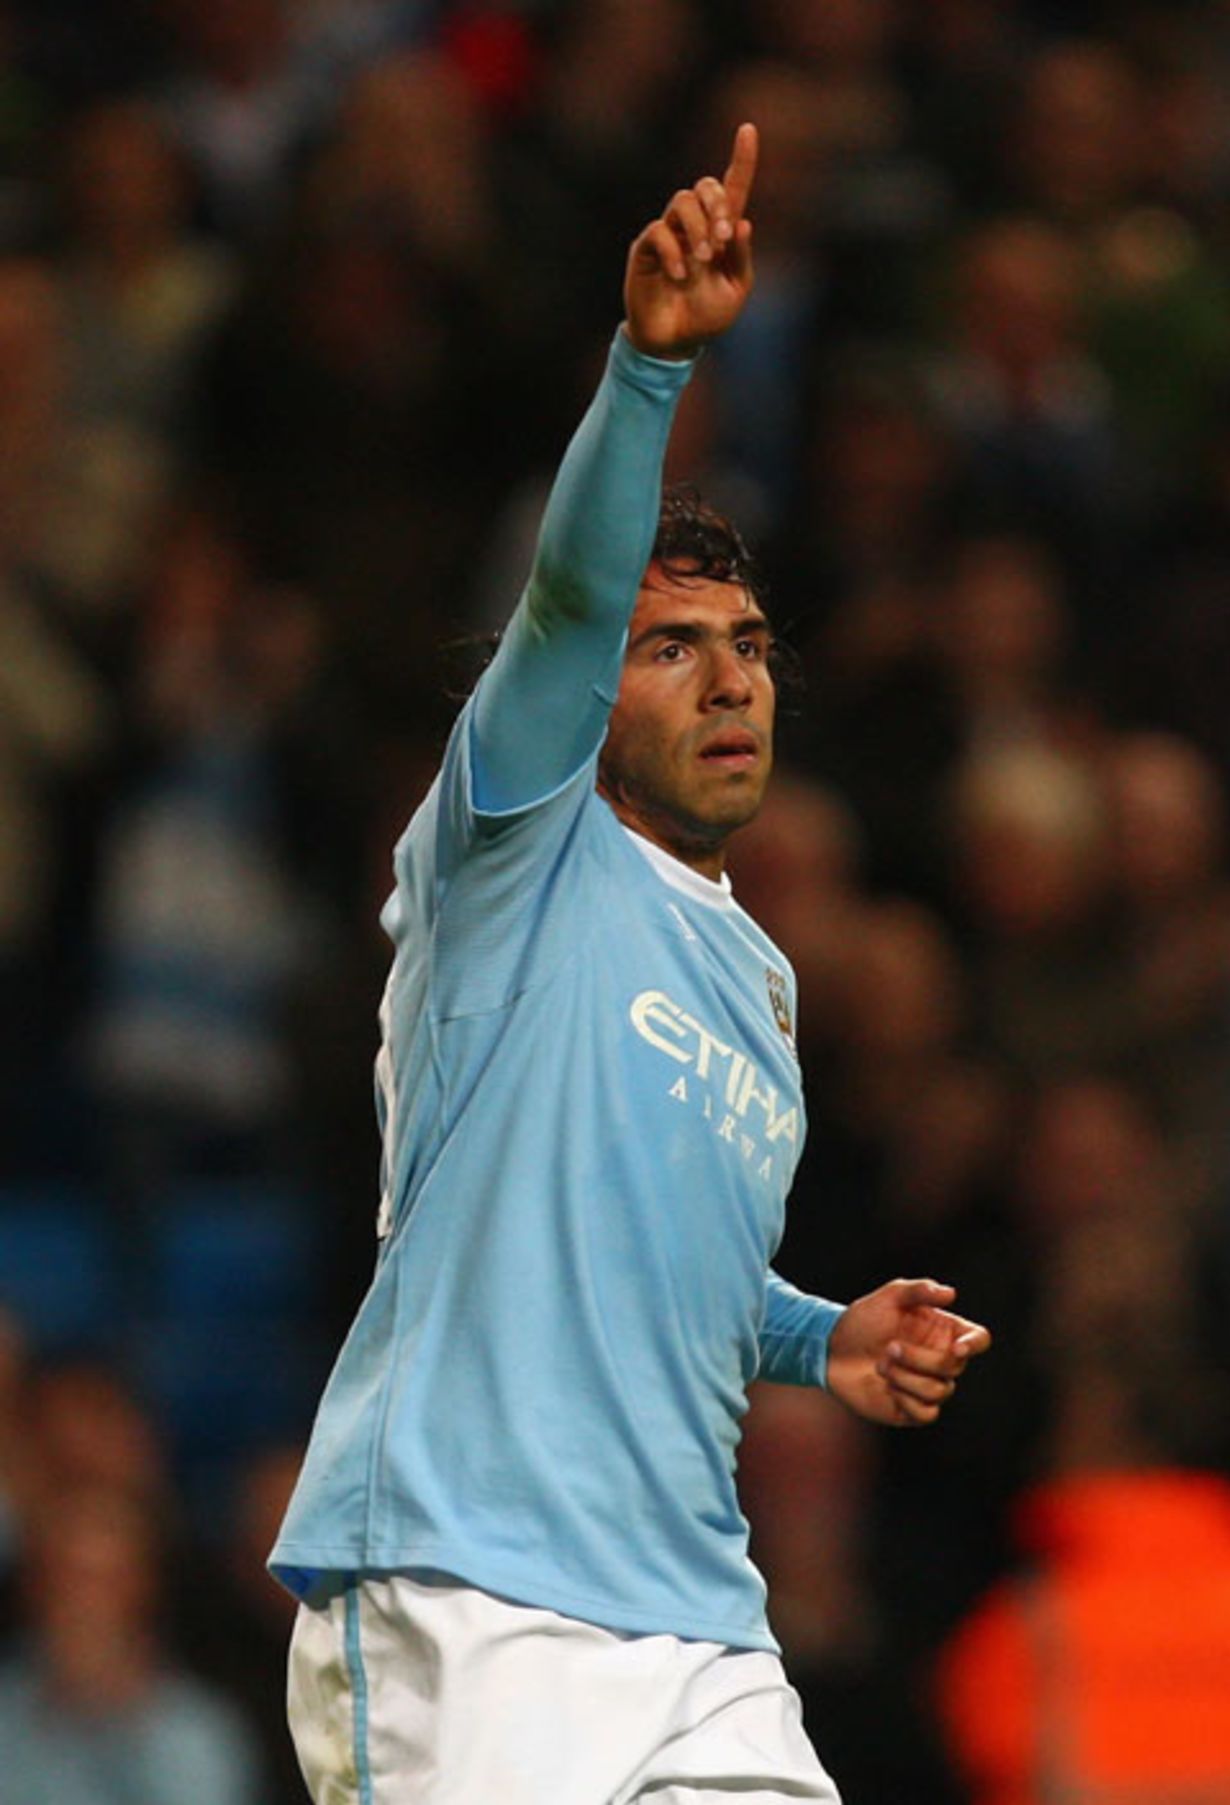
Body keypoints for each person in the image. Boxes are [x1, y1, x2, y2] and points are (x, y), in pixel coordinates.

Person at [271, 123, 991, 1804]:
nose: (731, 681)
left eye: (749, 648)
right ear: (592, 694)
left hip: (697, 1628)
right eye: (671, 648)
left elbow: (670, 1276)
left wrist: (822, 1336)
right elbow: (569, 597)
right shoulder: (513, 849)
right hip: (464, 1594)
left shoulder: (762, 981)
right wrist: (653, 369)